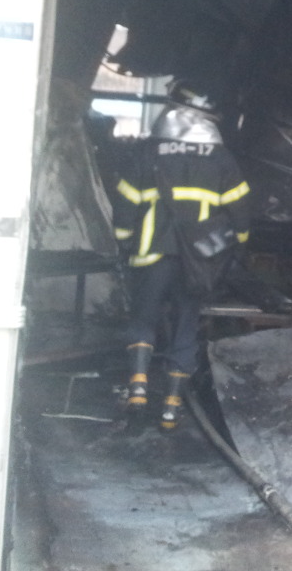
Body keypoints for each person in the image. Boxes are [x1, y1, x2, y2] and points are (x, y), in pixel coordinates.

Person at [113, 79, 250, 430]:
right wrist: (236, 246)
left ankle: (138, 388)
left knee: (143, 319)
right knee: (186, 324)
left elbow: (126, 203)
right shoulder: (221, 158)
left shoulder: (148, 152)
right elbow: (240, 210)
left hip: (151, 255)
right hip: (199, 262)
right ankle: (171, 407)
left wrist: (124, 240)